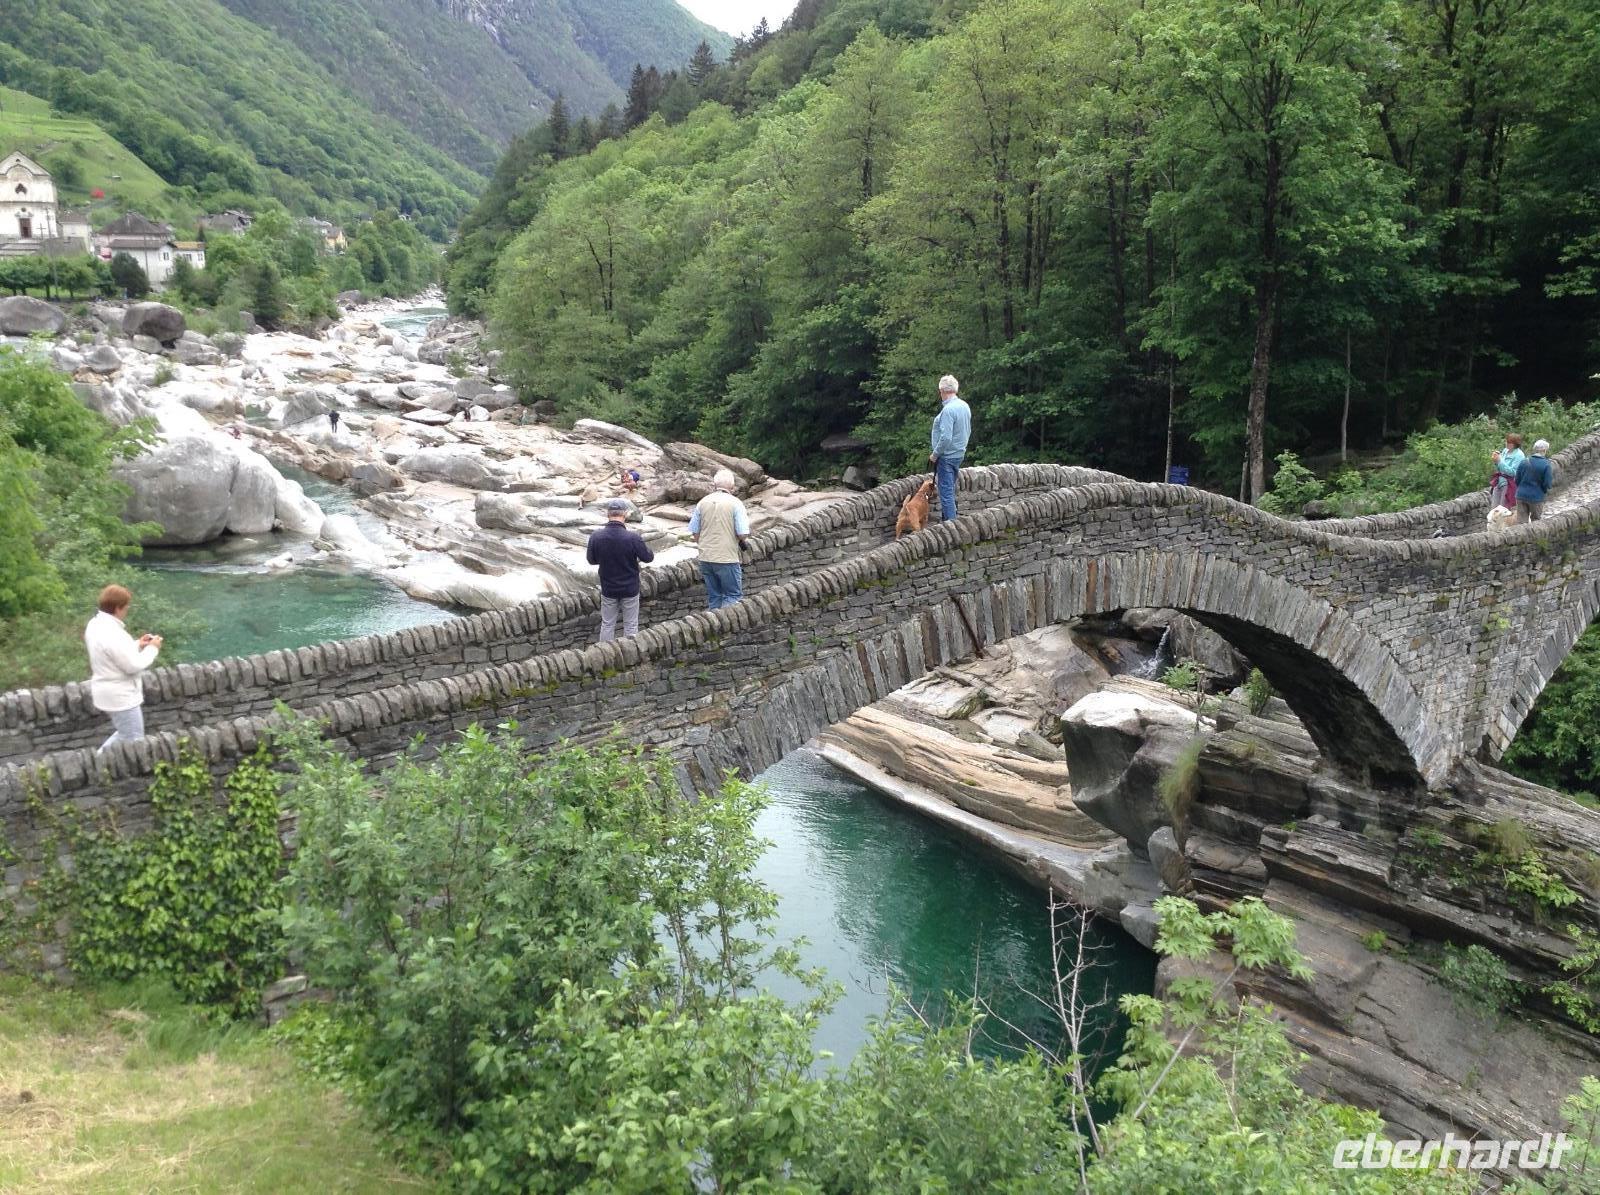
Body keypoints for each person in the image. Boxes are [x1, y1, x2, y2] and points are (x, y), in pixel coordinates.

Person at [84, 584, 161, 753]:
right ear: (118, 608)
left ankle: (95, 763)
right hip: (121, 697)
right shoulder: (112, 633)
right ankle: (97, 766)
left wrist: (138, 645)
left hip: (107, 691)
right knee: (134, 739)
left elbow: (113, 654)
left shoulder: (95, 624)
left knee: (125, 733)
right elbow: (133, 666)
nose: (127, 610)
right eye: (126, 607)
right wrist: (152, 648)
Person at [585, 498, 654, 642]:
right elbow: (648, 557)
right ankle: (630, 656)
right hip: (630, 588)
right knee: (630, 625)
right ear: (625, 515)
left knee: (607, 624)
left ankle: (605, 655)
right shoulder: (633, 537)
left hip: (608, 587)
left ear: (607, 514)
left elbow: (591, 560)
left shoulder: (596, 536)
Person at [689, 469, 751, 610]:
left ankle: (714, 627)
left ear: (714, 485)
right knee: (733, 595)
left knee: (714, 596)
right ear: (732, 487)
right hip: (726, 558)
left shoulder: (702, 502)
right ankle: (728, 629)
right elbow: (742, 534)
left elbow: (695, 532)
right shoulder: (736, 503)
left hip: (705, 557)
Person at [928, 373, 971, 522]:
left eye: (940, 391)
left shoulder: (948, 410)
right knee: (950, 490)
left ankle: (951, 528)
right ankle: (947, 521)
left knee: (946, 494)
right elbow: (967, 430)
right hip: (959, 454)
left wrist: (935, 454)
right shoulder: (964, 406)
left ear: (943, 391)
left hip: (946, 456)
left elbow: (946, 437)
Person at [1514, 439, 1555, 523]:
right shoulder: (1546, 465)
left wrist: (1522, 487)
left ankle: (1522, 535)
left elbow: (1517, 479)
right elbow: (1547, 484)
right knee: (1536, 521)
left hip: (1521, 495)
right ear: (1544, 450)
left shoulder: (1524, 462)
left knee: (1521, 522)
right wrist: (1542, 491)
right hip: (1536, 497)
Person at [1490, 433, 1523, 510]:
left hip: (1509, 484)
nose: (1506, 444)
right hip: (1499, 481)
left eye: (1509, 442)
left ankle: (1502, 522)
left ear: (1514, 444)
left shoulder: (1519, 455)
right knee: (1494, 508)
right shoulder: (1505, 451)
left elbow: (1514, 472)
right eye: (1506, 441)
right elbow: (1500, 467)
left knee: (1503, 508)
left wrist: (1499, 461)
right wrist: (1496, 460)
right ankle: (1494, 521)